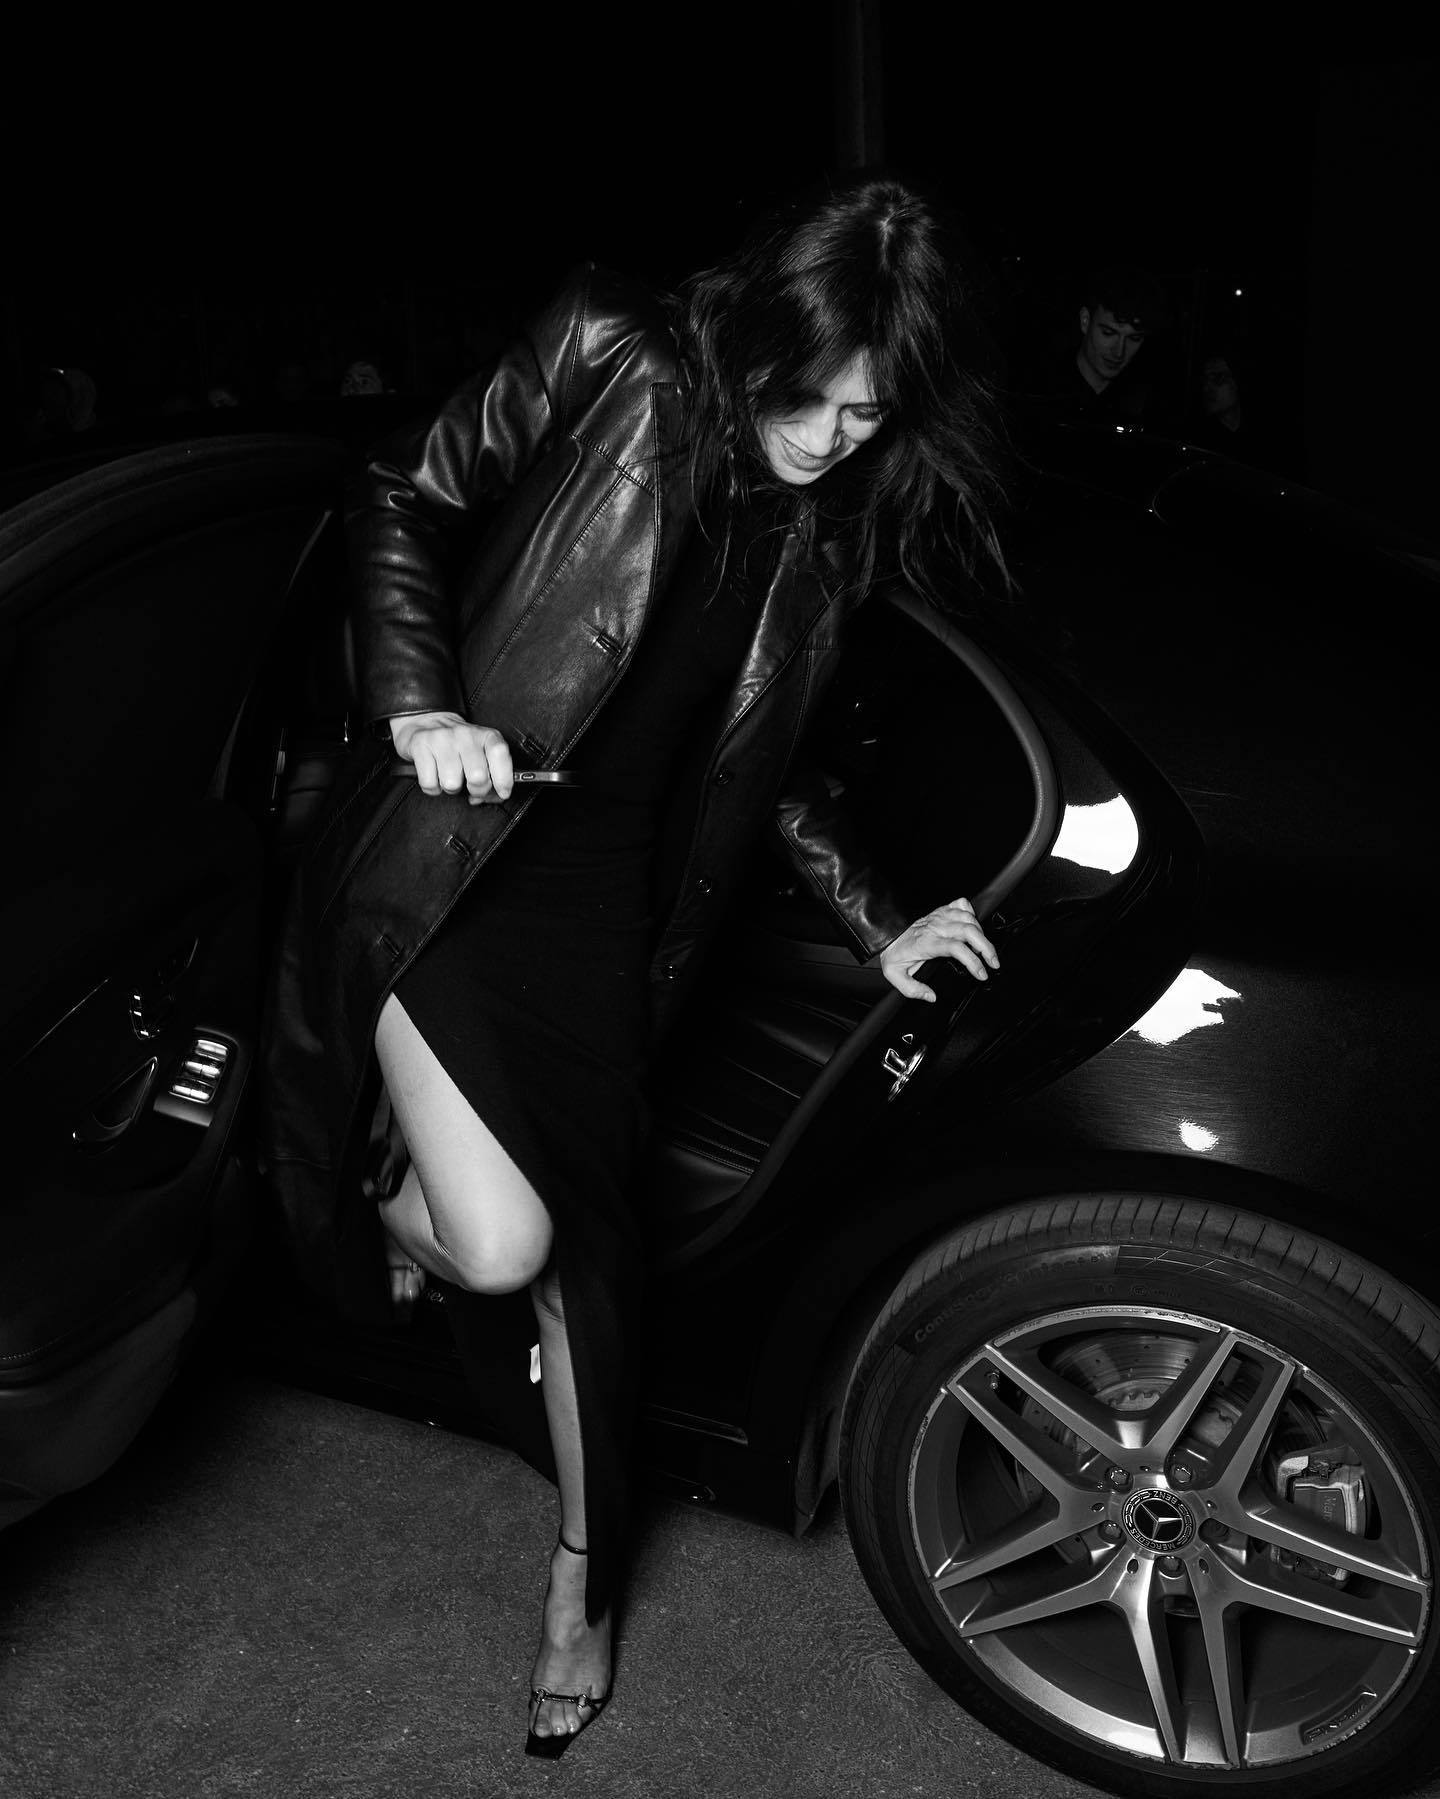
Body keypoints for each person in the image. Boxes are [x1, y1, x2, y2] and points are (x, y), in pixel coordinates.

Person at [261, 177, 1007, 1759]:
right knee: (504, 1243)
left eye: (866, 416)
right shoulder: (615, 344)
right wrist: (419, 700)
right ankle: (397, 1184)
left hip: (606, 914)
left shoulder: (826, 535)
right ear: (757, 334)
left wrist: (882, 916)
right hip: (450, 863)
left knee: (583, 1262)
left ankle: (580, 1582)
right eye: (805, 400)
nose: (827, 440)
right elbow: (399, 491)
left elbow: (771, 766)